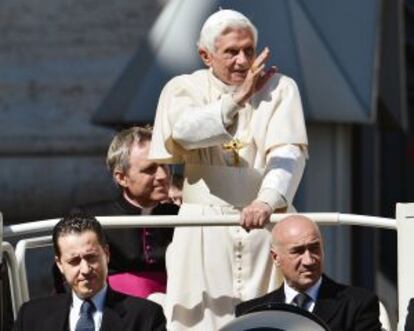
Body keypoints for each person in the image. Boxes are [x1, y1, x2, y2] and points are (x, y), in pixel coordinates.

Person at [149, 9, 308, 330]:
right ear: (205, 55)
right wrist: (236, 100)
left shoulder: (280, 88)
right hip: (202, 226)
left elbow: (288, 152)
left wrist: (267, 200)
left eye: (249, 50)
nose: (242, 60)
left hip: (264, 221)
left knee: (265, 317)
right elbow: (183, 131)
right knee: (199, 315)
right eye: (231, 52)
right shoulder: (183, 88)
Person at [72, 127, 179, 298]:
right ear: (122, 177)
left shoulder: (181, 215)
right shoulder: (91, 219)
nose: (162, 175)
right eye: (150, 169)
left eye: (165, 165)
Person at [13, 214, 166, 331]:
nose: (85, 269)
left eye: (91, 257)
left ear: (106, 254)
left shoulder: (145, 316)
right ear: (60, 264)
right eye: (74, 261)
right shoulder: (31, 317)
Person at [235, 215, 382, 331]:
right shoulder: (251, 314)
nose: (309, 260)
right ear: (276, 258)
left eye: (314, 248)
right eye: (297, 251)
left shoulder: (357, 305)